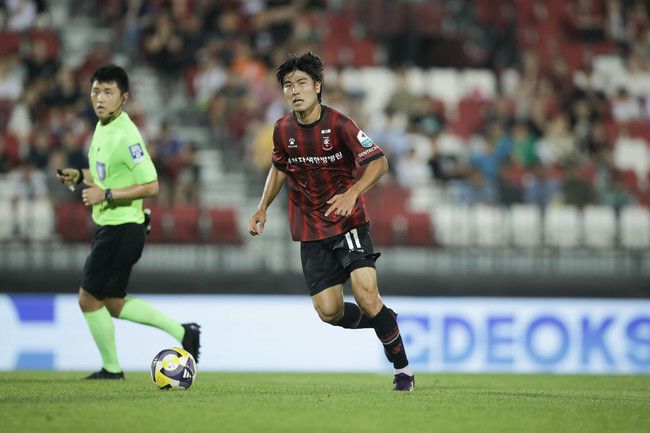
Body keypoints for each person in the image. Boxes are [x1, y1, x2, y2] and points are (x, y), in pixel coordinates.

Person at [248, 53, 414, 391]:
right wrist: (262, 207)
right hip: (310, 229)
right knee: (329, 312)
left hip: (347, 222)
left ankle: (403, 371)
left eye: (302, 83)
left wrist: (352, 193)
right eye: (288, 85)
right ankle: (385, 321)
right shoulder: (282, 129)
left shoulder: (340, 125)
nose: (294, 90)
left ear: (317, 87)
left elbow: (379, 162)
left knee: (366, 296)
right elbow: (279, 168)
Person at [56, 65, 200, 380]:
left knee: (88, 298)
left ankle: (112, 369)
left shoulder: (127, 135)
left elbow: (152, 185)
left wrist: (106, 194)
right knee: (112, 302)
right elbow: (107, 174)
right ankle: (183, 332)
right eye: (96, 91)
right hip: (115, 226)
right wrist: (80, 176)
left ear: (124, 97)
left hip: (121, 228)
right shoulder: (102, 126)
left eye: (108, 92)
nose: (100, 98)